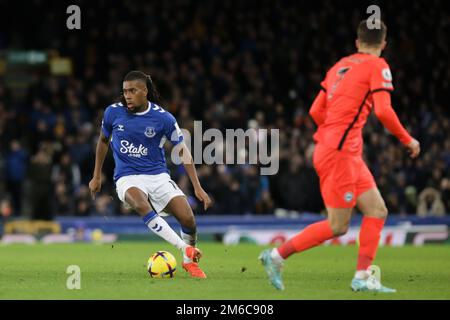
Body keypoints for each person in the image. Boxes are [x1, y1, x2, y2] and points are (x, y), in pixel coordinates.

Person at [259, 20, 420, 292]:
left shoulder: (339, 67)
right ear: (383, 44)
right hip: (339, 153)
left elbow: (315, 111)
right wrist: (408, 139)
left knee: (377, 210)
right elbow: (383, 111)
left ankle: (361, 276)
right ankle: (275, 257)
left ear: (357, 42)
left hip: (342, 151)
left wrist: (335, 133)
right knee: (338, 226)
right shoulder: (377, 65)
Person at [89, 71, 212, 278]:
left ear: (144, 91)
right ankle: (185, 249)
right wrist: (96, 176)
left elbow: (183, 150)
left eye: (132, 90)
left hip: (158, 176)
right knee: (140, 203)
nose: (127, 95)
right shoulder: (112, 113)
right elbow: (103, 141)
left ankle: (189, 263)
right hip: (127, 176)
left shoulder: (163, 118)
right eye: (125, 91)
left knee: (188, 218)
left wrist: (197, 187)